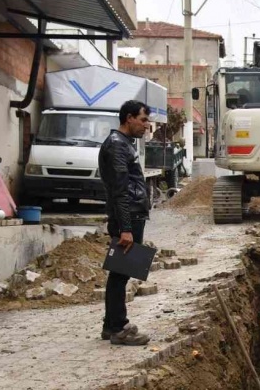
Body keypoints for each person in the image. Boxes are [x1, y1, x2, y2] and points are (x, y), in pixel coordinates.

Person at [98, 100, 152, 346]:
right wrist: (127, 229)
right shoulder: (118, 147)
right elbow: (119, 191)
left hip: (129, 214)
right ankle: (119, 329)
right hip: (127, 216)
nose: (146, 125)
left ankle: (111, 325)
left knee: (121, 272)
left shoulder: (122, 145)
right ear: (129, 118)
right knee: (120, 273)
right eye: (143, 120)